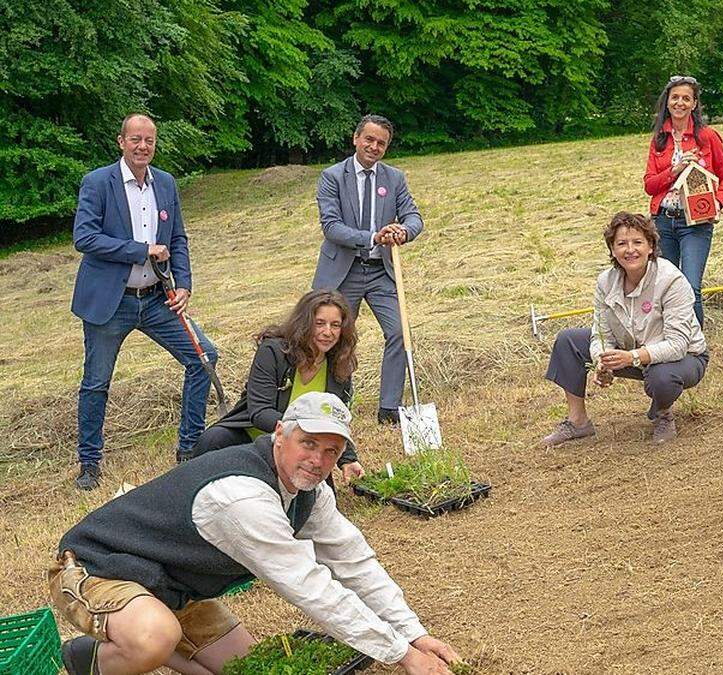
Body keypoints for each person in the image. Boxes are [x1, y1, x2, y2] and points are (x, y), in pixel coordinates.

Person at [53, 392, 464, 675]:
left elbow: (353, 561)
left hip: (172, 587)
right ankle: (91, 662)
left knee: (250, 668)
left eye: (331, 451)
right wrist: (399, 654)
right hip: (97, 570)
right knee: (152, 638)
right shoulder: (241, 497)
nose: (318, 460)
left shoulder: (309, 492)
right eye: (308, 443)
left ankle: (156, 640)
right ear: (281, 434)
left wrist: (415, 634)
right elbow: (309, 586)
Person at [70, 113, 218, 490]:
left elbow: (178, 239)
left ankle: (189, 449)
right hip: (111, 302)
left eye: (149, 140)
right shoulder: (98, 182)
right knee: (96, 382)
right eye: (135, 139)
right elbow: (84, 238)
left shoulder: (165, 183)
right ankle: (89, 464)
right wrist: (140, 250)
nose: (142, 146)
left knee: (203, 357)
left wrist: (183, 283)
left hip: (157, 299)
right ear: (121, 142)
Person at [544, 212, 708, 446]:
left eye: (637, 242)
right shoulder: (605, 281)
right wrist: (602, 361)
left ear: (651, 246)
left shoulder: (672, 280)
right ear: (612, 250)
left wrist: (630, 357)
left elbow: (678, 345)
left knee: (663, 376)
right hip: (632, 351)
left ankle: (663, 414)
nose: (630, 250)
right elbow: (601, 332)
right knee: (568, 340)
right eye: (621, 243)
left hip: (685, 358)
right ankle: (578, 422)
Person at [313, 114, 423, 425]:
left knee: (399, 332)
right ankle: (335, 405)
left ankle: (389, 409)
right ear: (356, 138)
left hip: (380, 272)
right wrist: (373, 236)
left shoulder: (395, 178)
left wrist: (404, 231)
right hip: (342, 272)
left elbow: (414, 217)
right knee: (334, 336)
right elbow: (332, 227)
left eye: (381, 143)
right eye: (369, 140)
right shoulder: (332, 177)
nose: (374, 147)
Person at [191, 290, 365, 481]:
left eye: (336, 325)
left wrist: (348, 459)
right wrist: (304, 432)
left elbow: (336, 420)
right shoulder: (273, 351)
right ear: (305, 323)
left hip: (307, 446)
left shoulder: (340, 364)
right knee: (212, 440)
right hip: (255, 437)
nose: (327, 332)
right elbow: (259, 411)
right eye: (319, 323)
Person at [642, 75, 723, 326]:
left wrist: (718, 202)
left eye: (686, 98)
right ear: (667, 102)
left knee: (690, 286)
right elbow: (649, 185)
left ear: (694, 104)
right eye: (675, 98)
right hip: (662, 222)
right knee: (666, 288)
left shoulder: (707, 137)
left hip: (696, 222)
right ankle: (669, 342)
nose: (680, 103)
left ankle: (695, 347)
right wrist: (674, 171)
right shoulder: (659, 139)